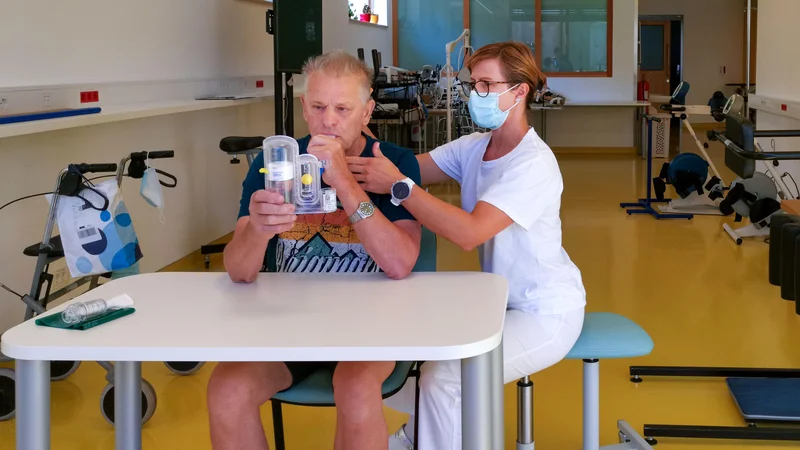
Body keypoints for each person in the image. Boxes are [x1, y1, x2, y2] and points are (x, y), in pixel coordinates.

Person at [347, 41, 587, 450]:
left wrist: (399, 188)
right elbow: (409, 166)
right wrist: (353, 124)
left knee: (445, 376)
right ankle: (420, 434)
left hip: (545, 312)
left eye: (486, 84)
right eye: (473, 83)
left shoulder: (533, 164)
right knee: (407, 366)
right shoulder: (476, 146)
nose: (475, 93)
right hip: (497, 302)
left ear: (519, 91)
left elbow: (470, 232)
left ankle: (420, 439)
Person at [206, 50, 423, 450]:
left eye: (343, 108)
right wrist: (256, 229)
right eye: (320, 106)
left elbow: (399, 263)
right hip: (290, 326)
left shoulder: (392, 163)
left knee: (356, 388)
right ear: (304, 108)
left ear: (367, 111)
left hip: (370, 329)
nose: (330, 120)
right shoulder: (276, 165)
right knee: (227, 389)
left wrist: (343, 181)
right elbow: (238, 270)